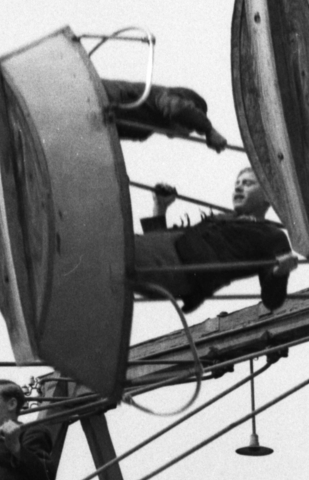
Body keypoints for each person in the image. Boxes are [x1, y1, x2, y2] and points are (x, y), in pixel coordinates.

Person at [133, 167, 298, 312]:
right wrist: (160, 207)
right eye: (237, 184)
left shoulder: (272, 235)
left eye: (248, 184)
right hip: (164, 254)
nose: (239, 188)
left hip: (178, 268)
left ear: (268, 197)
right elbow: (160, 239)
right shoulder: (221, 218)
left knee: (116, 250)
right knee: (117, 246)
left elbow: (272, 300)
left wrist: (280, 273)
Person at [102, 79, 231, 151]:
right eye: (189, 127)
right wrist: (208, 130)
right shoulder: (162, 95)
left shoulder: (143, 132)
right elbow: (177, 108)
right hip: (101, 97)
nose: (173, 136)